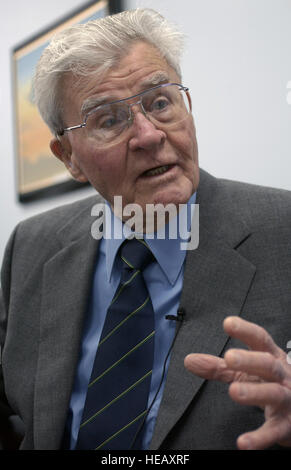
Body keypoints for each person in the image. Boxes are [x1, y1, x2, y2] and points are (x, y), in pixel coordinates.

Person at [1, 8, 291, 451]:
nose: (149, 135)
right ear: (68, 158)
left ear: (186, 106)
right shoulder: (31, 244)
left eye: (160, 102)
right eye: (109, 120)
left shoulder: (282, 231)